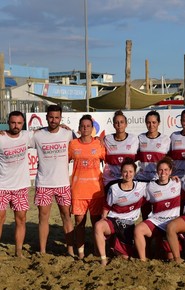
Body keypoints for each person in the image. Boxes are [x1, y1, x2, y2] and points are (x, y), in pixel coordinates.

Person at [32, 105, 74, 256]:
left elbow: (82, 142)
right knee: (43, 218)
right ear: (46, 117)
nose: (54, 120)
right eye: (51, 117)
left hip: (63, 184)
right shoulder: (37, 135)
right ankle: (42, 251)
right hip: (44, 184)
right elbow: (18, 139)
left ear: (61, 118)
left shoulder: (68, 133)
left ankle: (70, 250)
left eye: (57, 117)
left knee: (66, 217)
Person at [94, 158, 146, 265]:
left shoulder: (141, 186)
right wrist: (103, 217)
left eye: (130, 172)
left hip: (128, 225)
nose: (128, 174)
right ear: (121, 173)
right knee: (98, 226)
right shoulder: (114, 188)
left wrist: (173, 178)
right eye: (125, 172)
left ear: (135, 173)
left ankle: (114, 245)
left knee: (125, 257)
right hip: (114, 220)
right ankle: (103, 260)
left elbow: (159, 183)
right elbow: (107, 205)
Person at [68, 115, 106, 259]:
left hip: (96, 191)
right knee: (79, 223)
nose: (85, 128)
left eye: (88, 126)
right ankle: (81, 252)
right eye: (83, 126)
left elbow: (110, 160)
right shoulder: (72, 145)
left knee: (96, 223)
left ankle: (97, 250)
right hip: (78, 191)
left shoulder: (99, 145)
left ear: (92, 128)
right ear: (79, 128)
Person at [134, 156, 181, 261]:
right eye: (160, 170)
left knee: (170, 257)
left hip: (172, 223)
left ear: (170, 171)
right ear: (157, 171)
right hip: (156, 221)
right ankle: (143, 260)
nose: (163, 172)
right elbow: (137, 195)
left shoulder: (178, 183)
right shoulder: (150, 186)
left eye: (166, 170)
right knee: (138, 230)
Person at [0, 111, 33, 257]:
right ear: (8, 122)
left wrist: (63, 126)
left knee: (21, 219)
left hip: (20, 186)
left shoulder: (27, 136)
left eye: (19, 123)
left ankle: (18, 250)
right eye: (13, 122)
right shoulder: (1, 138)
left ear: (23, 124)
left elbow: (47, 132)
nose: (16, 126)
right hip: (2, 186)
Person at [103, 110, 139, 186]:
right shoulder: (107, 139)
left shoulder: (134, 139)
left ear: (126, 124)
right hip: (111, 180)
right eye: (117, 122)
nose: (119, 125)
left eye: (122, 122)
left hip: (128, 180)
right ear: (113, 125)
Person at [136, 110, 170, 181]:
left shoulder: (166, 139)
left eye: (154, 122)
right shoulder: (140, 138)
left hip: (158, 179)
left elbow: (170, 161)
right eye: (148, 122)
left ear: (159, 123)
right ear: (145, 123)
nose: (151, 125)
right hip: (142, 179)